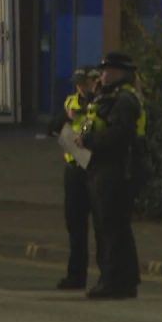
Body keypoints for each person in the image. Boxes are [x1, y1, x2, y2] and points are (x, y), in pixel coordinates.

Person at [77, 52, 146, 300]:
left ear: (120, 73)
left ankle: (113, 281)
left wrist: (89, 140)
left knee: (110, 228)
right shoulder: (107, 97)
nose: (103, 75)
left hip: (115, 170)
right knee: (113, 227)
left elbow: (119, 136)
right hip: (103, 169)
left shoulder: (124, 100)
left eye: (108, 71)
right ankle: (123, 280)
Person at [47, 67, 101, 290]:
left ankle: (106, 276)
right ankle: (76, 276)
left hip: (95, 168)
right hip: (74, 168)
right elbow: (51, 127)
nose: (81, 87)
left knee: (101, 226)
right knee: (75, 226)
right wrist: (65, 118)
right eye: (78, 83)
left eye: (85, 82)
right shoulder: (70, 102)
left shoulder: (101, 101)